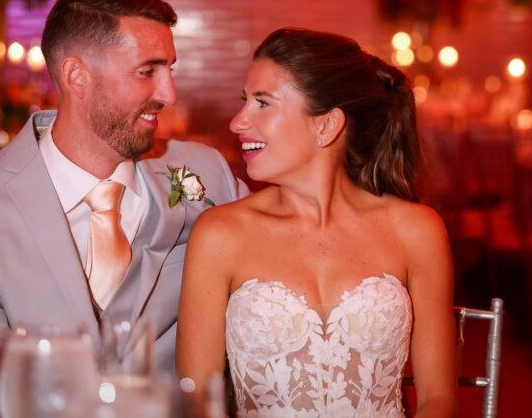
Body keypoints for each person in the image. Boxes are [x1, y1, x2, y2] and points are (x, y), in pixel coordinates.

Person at [0, 0, 249, 415]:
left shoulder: (209, 175)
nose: (169, 94)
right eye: (147, 71)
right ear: (77, 76)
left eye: (170, 69)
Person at [176, 28, 458, 417]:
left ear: (326, 125)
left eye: (262, 103)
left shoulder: (418, 231)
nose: (237, 122)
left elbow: (437, 399)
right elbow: (196, 402)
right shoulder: (219, 235)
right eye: (245, 102)